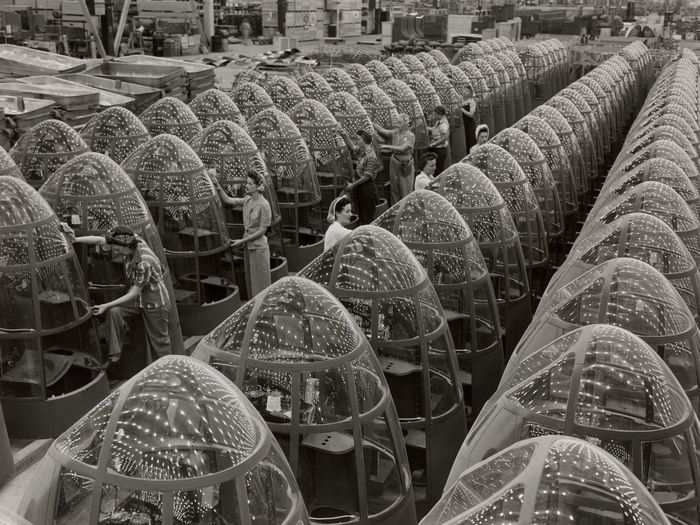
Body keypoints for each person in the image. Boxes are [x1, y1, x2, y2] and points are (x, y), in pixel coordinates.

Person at [69, 225, 172, 363]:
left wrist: (105, 305)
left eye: (117, 249)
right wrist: (75, 239)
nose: (115, 252)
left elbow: (134, 292)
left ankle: (166, 368)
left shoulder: (144, 262)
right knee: (115, 312)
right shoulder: (132, 240)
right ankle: (114, 356)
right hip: (139, 300)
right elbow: (99, 240)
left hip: (155, 302)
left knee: (160, 342)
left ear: (126, 247)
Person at [215, 170, 272, 297]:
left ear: (257, 187)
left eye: (250, 184)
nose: (246, 186)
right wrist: (217, 186)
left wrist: (242, 241)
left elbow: (262, 231)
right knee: (251, 283)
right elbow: (228, 200)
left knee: (261, 284)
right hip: (249, 248)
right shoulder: (248, 200)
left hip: (259, 249)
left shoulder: (264, 205)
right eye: (247, 183)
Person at [375, 113, 415, 205]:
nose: (398, 124)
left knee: (405, 189)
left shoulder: (410, 136)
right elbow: (382, 131)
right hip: (394, 162)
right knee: (394, 188)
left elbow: (402, 148)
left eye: (400, 122)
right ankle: (395, 209)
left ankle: (405, 208)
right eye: (397, 122)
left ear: (406, 123)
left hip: (405, 164)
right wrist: (371, 122)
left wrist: (387, 146)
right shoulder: (395, 132)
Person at [429, 105, 450, 174]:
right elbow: (434, 130)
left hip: (439, 149)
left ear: (439, 114)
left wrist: (433, 144)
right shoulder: (439, 121)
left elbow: (444, 138)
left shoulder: (443, 124)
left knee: (438, 169)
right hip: (436, 148)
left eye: (435, 114)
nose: (434, 115)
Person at [462, 86, 478, 153]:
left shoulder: (472, 102)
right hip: (464, 125)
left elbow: (471, 114)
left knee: (471, 141)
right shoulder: (462, 101)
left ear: (470, 93)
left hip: (470, 124)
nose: (465, 92)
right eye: (464, 90)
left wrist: (462, 110)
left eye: (467, 91)